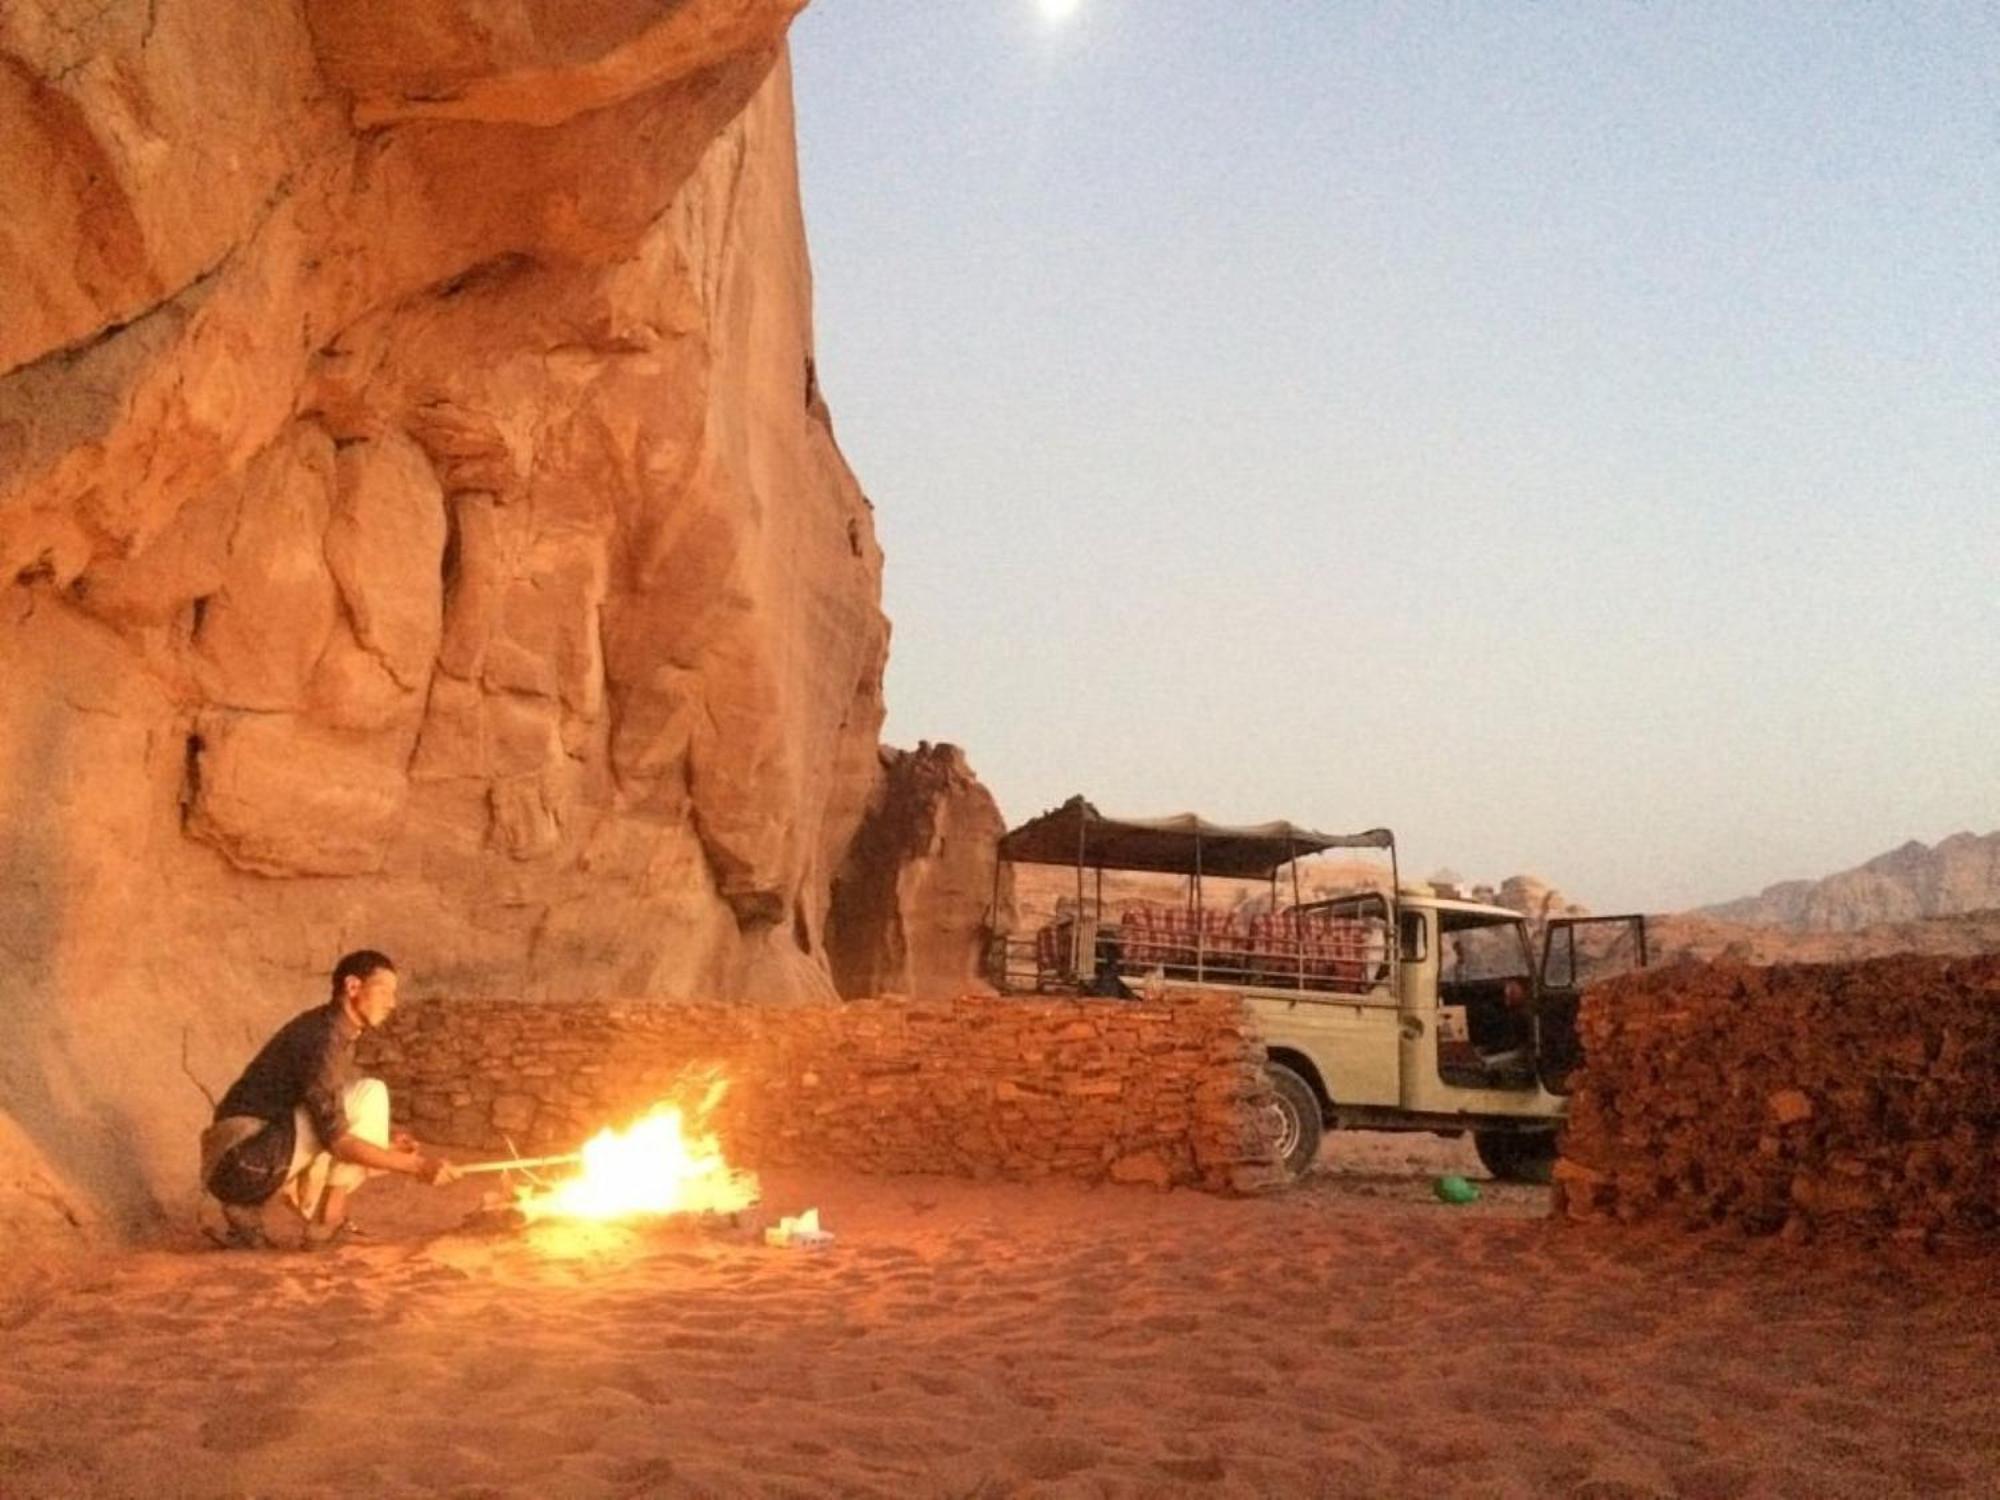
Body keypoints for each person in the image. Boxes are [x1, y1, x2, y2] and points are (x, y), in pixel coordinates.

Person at [199, 950, 456, 1249]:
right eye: (384, 991)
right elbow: (339, 1142)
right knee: (370, 1094)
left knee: (358, 1127)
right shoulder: (324, 1038)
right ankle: (327, 1225)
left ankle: (246, 1210)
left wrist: (381, 1144)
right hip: (242, 1161)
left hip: (240, 1164)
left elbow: (325, 1117)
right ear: (352, 987)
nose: (392, 1003)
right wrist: (418, 1167)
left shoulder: (327, 1028)